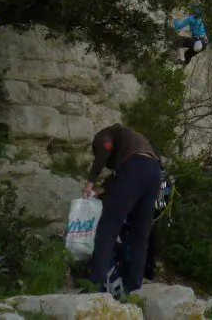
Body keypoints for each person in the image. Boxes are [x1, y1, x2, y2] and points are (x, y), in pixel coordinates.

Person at [83, 124, 162, 295]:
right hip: (155, 171)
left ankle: (95, 286)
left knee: (107, 228)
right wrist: (103, 189)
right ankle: (134, 289)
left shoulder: (104, 136)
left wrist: (90, 182)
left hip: (136, 169)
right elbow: (121, 173)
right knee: (140, 235)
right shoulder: (131, 140)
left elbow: (106, 150)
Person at [173, 1, 208, 66]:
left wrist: (175, 17)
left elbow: (177, 27)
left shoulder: (190, 18)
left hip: (197, 42)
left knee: (179, 40)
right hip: (204, 43)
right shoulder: (200, 17)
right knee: (188, 55)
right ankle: (183, 63)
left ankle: (180, 58)